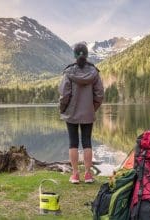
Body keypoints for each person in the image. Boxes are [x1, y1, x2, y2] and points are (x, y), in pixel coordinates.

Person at [58, 43, 104, 184]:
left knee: (73, 143)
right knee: (87, 143)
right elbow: (100, 94)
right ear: (86, 54)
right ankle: (88, 175)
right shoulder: (94, 73)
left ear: (74, 55)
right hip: (88, 113)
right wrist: (92, 108)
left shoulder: (69, 72)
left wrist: (63, 108)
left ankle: (75, 175)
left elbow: (64, 94)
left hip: (71, 113)